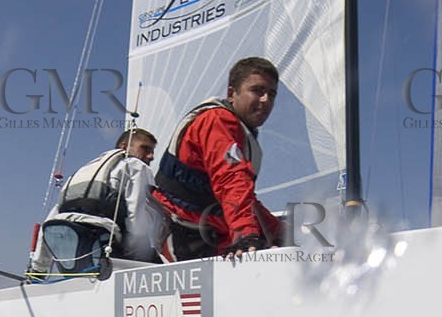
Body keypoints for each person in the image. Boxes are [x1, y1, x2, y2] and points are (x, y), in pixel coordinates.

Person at [152, 57, 286, 260]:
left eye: (272, 94)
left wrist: (280, 232)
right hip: (185, 239)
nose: (266, 100)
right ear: (232, 94)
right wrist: (246, 234)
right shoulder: (217, 121)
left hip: (211, 235)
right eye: (257, 91)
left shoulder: (240, 131)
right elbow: (231, 180)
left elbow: (244, 197)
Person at [34, 129, 166, 274]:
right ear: (124, 147)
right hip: (107, 252)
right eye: (145, 149)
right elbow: (137, 215)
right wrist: (138, 254)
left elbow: (50, 220)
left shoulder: (84, 171)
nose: (151, 156)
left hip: (73, 260)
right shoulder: (136, 166)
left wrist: (39, 269)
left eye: (152, 151)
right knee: (166, 269)